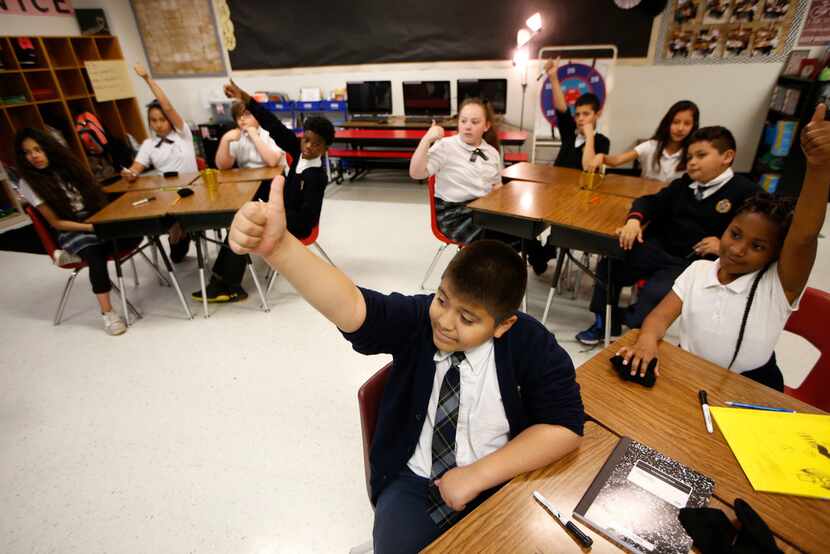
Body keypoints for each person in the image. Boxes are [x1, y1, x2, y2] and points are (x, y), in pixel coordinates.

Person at [227, 179, 584, 553]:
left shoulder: (530, 343)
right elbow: (354, 307)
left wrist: (478, 475)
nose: (445, 321)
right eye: (443, 299)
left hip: (500, 477)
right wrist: (282, 249)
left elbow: (564, 426)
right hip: (415, 480)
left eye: (468, 318)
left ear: (503, 325)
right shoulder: (420, 321)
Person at [617, 104, 830, 391]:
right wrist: (646, 340)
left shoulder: (778, 285)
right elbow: (659, 317)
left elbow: (803, 236)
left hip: (749, 386)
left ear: (774, 254)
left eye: (757, 245)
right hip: (688, 373)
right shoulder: (699, 271)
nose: (738, 249)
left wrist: (818, 168)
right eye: (735, 234)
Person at [576, 126, 760, 345]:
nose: (692, 162)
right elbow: (650, 202)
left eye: (701, 155)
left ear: (727, 157)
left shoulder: (746, 192)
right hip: (658, 248)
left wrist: (723, 244)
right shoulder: (684, 184)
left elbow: (756, 233)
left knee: (654, 297)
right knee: (610, 264)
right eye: (690, 156)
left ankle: (635, 331)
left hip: (690, 262)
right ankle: (604, 322)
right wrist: (634, 220)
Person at [193, 80, 335, 302]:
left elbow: (307, 221)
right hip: (282, 211)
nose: (308, 147)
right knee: (239, 218)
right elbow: (274, 125)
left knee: (249, 223)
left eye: (315, 144)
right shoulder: (298, 154)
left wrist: (272, 214)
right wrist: (246, 99)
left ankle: (229, 285)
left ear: (325, 148)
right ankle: (221, 279)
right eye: (305, 140)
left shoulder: (317, 177)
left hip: (295, 225)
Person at [15, 128, 138, 335]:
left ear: (49, 149)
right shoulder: (28, 183)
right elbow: (56, 223)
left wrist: (105, 220)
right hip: (70, 226)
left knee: (135, 232)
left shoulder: (68, 167)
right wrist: (92, 227)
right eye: (27, 152)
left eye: (38, 149)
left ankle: (68, 254)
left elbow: (95, 197)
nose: (34, 156)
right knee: (95, 257)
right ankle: (108, 313)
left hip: (92, 217)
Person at [529, 57, 612, 273]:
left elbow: (588, 166)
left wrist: (589, 136)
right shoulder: (568, 134)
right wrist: (554, 76)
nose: (581, 119)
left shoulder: (602, 142)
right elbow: (561, 107)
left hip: (579, 199)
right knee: (527, 223)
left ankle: (548, 250)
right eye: (579, 115)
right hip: (554, 191)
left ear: (597, 114)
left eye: (587, 114)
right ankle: (541, 251)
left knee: (561, 228)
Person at [121, 63, 198, 263]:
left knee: (181, 217)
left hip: (193, 190)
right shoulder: (149, 144)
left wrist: (147, 79)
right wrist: (130, 173)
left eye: (162, 119)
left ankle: (181, 234)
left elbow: (168, 106)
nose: (158, 124)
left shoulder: (183, 134)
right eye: (153, 120)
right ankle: (178, 235)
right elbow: (136, 168)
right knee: (167, 215)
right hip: (167, 195)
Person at [409, 97, 503, 244]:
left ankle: (538, 254)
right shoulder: (446, 146)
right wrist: (426, 140)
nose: (467, 126)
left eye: (475, 122)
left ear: (486, 126)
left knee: (518, 227)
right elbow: (416, 173)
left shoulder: (492, 152)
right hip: (453, 215)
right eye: (463, 121)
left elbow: (497, 187)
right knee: (501, 236)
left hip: (482, 210)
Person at [590, 100, 700, 183]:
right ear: (667, 123)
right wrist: (602, 157)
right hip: (647, 200)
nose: (680, 128)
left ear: (693, 126)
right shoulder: (651, 146)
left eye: (687, 123)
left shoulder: (694, 153)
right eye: (676, 122)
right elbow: (617, 160)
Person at [214, 101, 285, 171]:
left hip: (274, 177)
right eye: (238, 116)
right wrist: (225, 140)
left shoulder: (272, 131)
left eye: (247, 114)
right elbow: (222, 167)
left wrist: (254, 135)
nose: (241, 118)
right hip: (247, 178)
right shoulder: (237, 135)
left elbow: (272, 162)